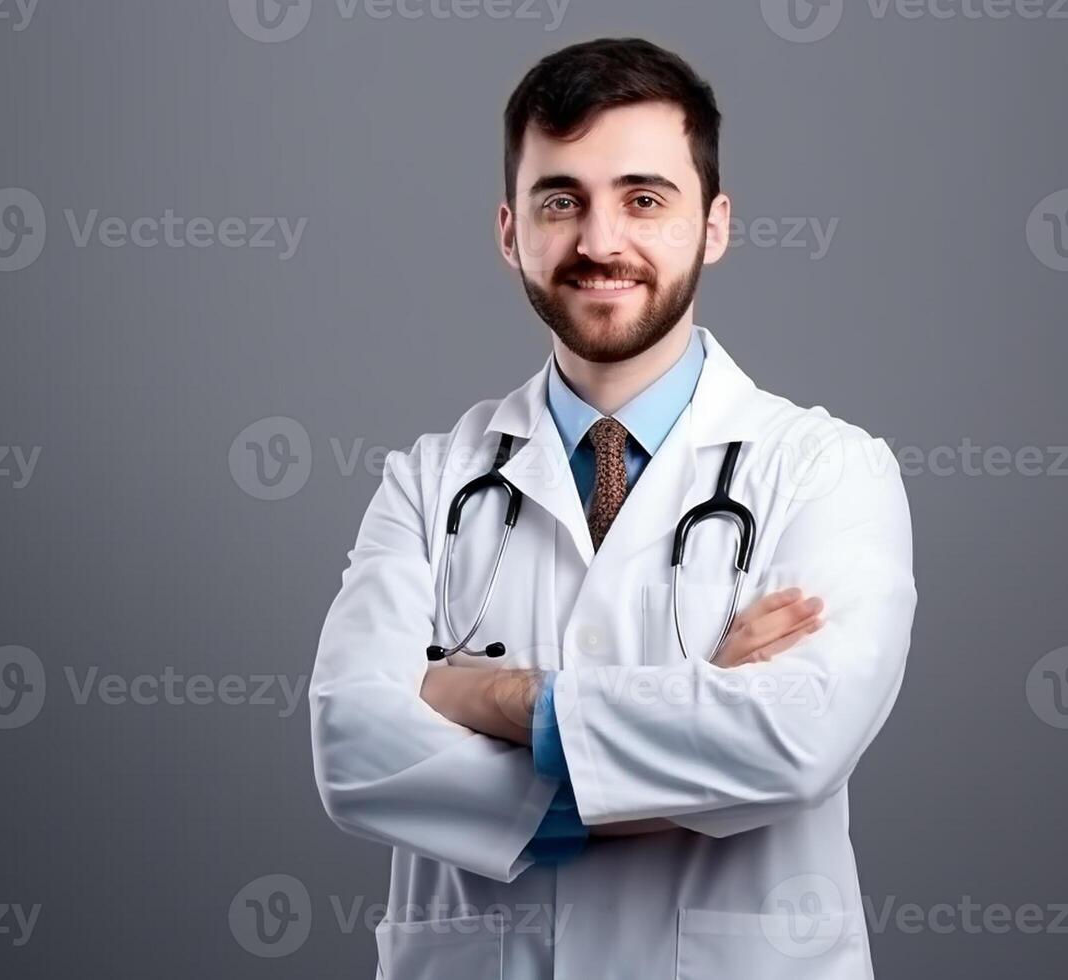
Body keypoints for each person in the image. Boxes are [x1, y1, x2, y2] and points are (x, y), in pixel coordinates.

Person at [309, 36, 917, 980]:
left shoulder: (828, 470)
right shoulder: (428, 481)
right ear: (510, 229)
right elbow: (353, 746)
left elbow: (796, 739)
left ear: (713, 225)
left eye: (644, 199)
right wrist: (693, 716)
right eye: (562, 200)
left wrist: (479, 696)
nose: (600, 243)